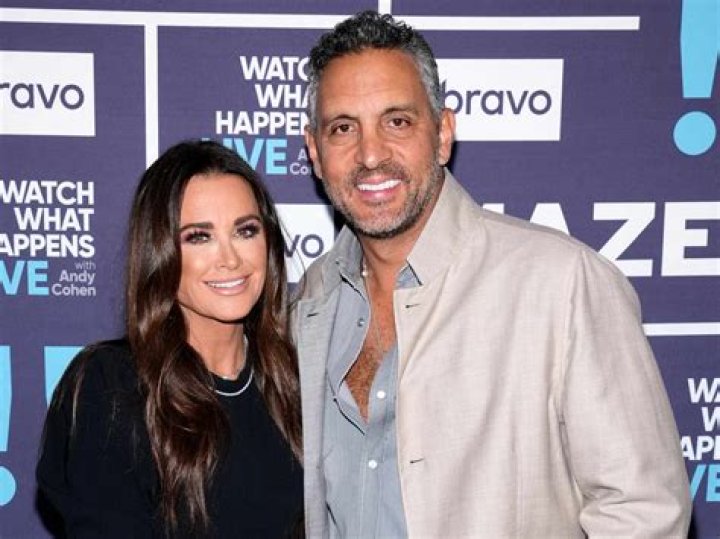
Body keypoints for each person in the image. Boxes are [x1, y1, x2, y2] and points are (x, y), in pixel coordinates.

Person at [294, 10, 691, 538]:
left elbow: (644, 511)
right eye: (343, 128)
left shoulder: (562, 284)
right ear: (315, 152)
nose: (370, 154)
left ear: (442, 133)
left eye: (397, 121)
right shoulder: (309, 302)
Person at [37, 140, 303, 538]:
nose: (230, 259)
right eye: (199, 237)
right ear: (159, 250)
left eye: (245, 230)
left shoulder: (293, 382)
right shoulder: (110, 387)